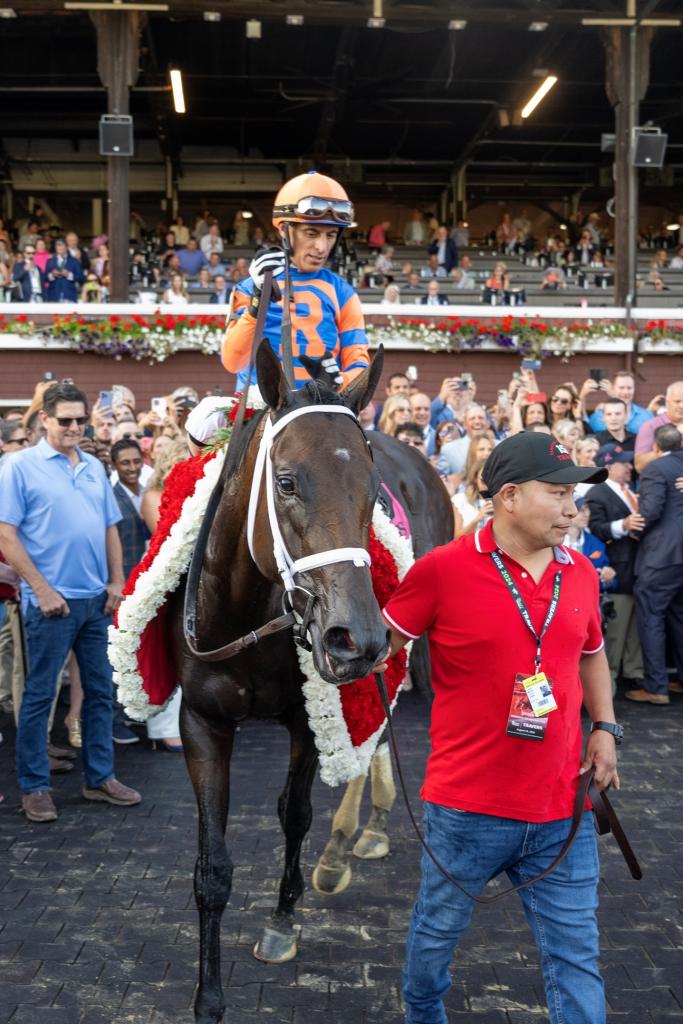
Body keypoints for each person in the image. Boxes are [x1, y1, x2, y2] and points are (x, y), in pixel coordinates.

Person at [379, 431, 615, 1024]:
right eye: (558, 493)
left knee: (577, 957)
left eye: (575, 495)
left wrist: (606, 727)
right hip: (465, 811)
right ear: (508, 496)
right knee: (434, 938)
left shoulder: (581, 571)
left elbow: (592, 653)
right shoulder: (441, 570)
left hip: (563, 807)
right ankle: (423, 1012)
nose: (572, 508)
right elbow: (379, 646)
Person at [0, 382, 141, 822]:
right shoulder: (18, 466)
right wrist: (41, 589)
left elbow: (109, 529)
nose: (75, 427)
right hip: (49, 605)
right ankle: (35, 787)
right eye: (65, 420)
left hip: (95, 602)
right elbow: (6, 534)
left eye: (80, 419)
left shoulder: (95, 469)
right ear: (43, 418)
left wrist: (117, 581)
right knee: (39, 696)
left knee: (101, 694)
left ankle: (99, 777)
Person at [222, 171, 369, 391]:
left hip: (323, 407)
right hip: (261, 406)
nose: (321, 247)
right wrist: (257, 301)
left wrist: (340, 382)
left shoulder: (343, 293)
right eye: (311, 233)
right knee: (201, 421)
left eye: (330, 235)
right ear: (284, 228)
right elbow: (233, 362)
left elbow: (359, 363)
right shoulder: (248, 287)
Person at [630, 425, 683, 705]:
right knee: (680, 616)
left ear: (656, 447)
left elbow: (650, 510)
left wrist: (633, 532)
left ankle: (656, 687)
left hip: (663, 556)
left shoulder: (655, 468)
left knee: (651, 614)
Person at [586, 444, 644, 695]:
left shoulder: (628, 490)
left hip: (636, 566)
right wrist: (623, 524)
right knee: (617, 630)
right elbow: (596, 527)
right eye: (624, 463)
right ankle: (606, 685)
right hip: (617, 568)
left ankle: (633, 672)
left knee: (634, 628)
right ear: (608, 467)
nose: (630, 467)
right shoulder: (597, 494)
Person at [110, 439, 151, 582]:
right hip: (126, 579)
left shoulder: (150, 493)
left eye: (137, 461)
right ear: (114, 465)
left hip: (154, 576)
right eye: (125, 463)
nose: (133, 468)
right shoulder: (110, 499)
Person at [634, 381, 683, 473]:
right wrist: (671, 443)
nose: (682, 406)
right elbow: (639, 466)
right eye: (677, 401)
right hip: (660, 483)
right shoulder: (650, 426)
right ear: (667, 403)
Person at [588, 371, 652, 435]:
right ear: (613, 389)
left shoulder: (646, 416)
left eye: (629, 388)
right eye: (621, 388)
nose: (625, 392)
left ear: (634, 389)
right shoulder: (598, 417)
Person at [439, 404, 490, 474]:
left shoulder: (500, 446)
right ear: (465, 425)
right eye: (472, 418)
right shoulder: (448, 450)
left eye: (481, 418)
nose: (477, 422)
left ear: (488, 423)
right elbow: (441, 480)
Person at [451, 457, 493, 537]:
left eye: (491, 480)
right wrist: (477, 519)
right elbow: (457, 537)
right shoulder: (460, 500)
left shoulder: (503, 501)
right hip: (469, 547)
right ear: (475, 478)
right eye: (484, 481)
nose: (487, 486)